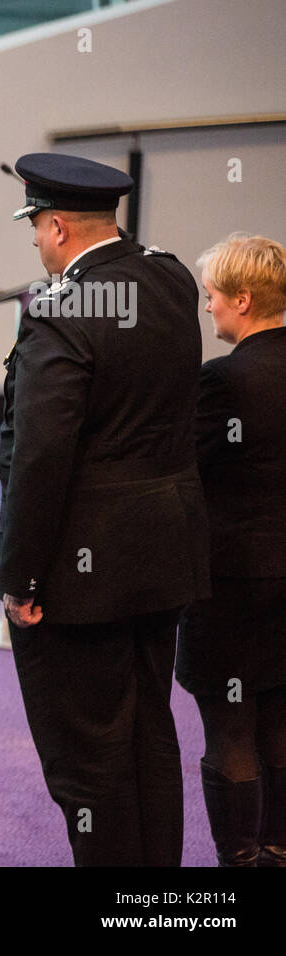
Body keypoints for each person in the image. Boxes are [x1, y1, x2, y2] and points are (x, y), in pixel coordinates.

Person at [0, 153, 209, 866]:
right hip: (167, 551)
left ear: (56, 225)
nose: (34, 241)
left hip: (83, 577)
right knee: (151, 734)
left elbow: (40, 457)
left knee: (88, 762)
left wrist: (21, 579)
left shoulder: (57, 311)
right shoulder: (172, 275)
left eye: (34, 227)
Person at [177, 233, 286, 866]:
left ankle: (240, 865)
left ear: (242, 300)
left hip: (237, 585)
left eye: (213, 297)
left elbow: (190, 471)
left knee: (232, 728)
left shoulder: (222, 381)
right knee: (279, 720)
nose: (209, 308)